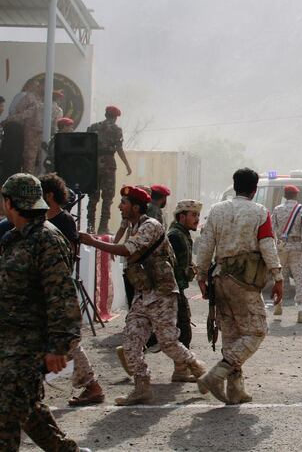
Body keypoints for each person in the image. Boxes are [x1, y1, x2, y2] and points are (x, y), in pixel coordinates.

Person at [79, 186, 207, 405]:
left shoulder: (151, 226)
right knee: (130, 341)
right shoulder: (134, 226)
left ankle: (197, 367)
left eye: (124, 203)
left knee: (168, 343)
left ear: (136, 207)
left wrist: (92, 242)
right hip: (144, 294)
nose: (120, 206)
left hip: (162, 294)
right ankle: (142, 387)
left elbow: (128, 250)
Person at [0, 173, 91, 451]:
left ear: (9, 202)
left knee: (6, 414)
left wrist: (58, 346)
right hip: (9, 341)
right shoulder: (13, 238)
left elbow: (61, 296)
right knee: (26, 407)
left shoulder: (46, 239)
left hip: (27, 346)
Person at [194, 168, 283, 404]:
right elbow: (267, 246)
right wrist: (278, 277)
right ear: (254, 190)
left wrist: (201, 277)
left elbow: (205, 245)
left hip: (219, 277)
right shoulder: (260, 212)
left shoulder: (216, 210)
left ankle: (235, 389)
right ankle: (216, 374)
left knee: (231, 334)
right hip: (244, 280)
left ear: (234, 186)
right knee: (256, 331)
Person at [40, 173, 105, 407]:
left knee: (67, 341)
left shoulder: (63, 221)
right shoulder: (42, 220)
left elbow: (64, 256)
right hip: (47, 290)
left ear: (49, 195)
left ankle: (92, 385)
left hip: (57, 290)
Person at [166, 199, 203, 380]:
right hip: (172, 289)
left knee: (176, 328)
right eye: (193, 215)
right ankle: (181, 370)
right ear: (182, 216)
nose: (197, 219)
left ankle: (180, 370)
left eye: (197, 215)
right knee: (181, 329)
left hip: (176, 288)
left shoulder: (183, 234)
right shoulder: (175, 236)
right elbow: (173, 266)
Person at [87, 105, 132, 235]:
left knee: (93, 195)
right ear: (115, 117)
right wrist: (127, 165)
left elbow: (86, 144)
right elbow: (119, 149)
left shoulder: (93, 127)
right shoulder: (116, 129)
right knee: (108, 196)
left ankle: (90, 226)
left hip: (93, 163)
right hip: (108, 163)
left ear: (106, 114)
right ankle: (103, 226)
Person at [271, 184, 302, 324]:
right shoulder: (301, 209)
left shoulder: (277, 209)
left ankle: (278, 305)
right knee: (300, 279)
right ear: (296, 195)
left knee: (279, 277)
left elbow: (271, 229)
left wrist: (275, 243)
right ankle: (301, 313)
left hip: (281, 247)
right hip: (296, 247)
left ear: (284, 196)